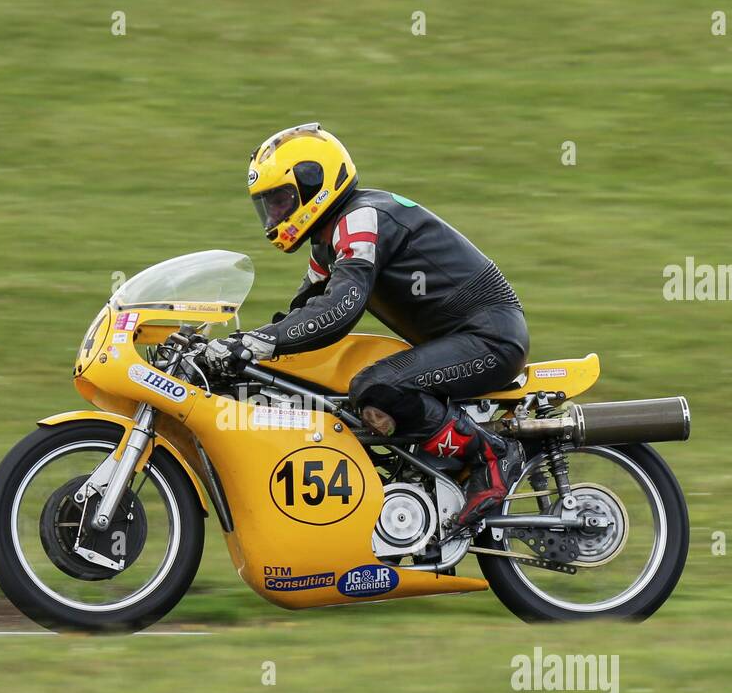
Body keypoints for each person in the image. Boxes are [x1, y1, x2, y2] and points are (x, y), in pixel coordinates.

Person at [203, 123, 529, 525]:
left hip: (490, 340)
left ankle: (491, 455)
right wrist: (237, 346)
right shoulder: (330, 240)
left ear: (314, 185)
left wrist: (258, 343)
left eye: (280, 200)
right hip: (461, 339)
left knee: (376, 386)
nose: (274, 214)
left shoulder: (361, 220)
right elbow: (301, 315)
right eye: (267, 204)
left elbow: (340, 309)